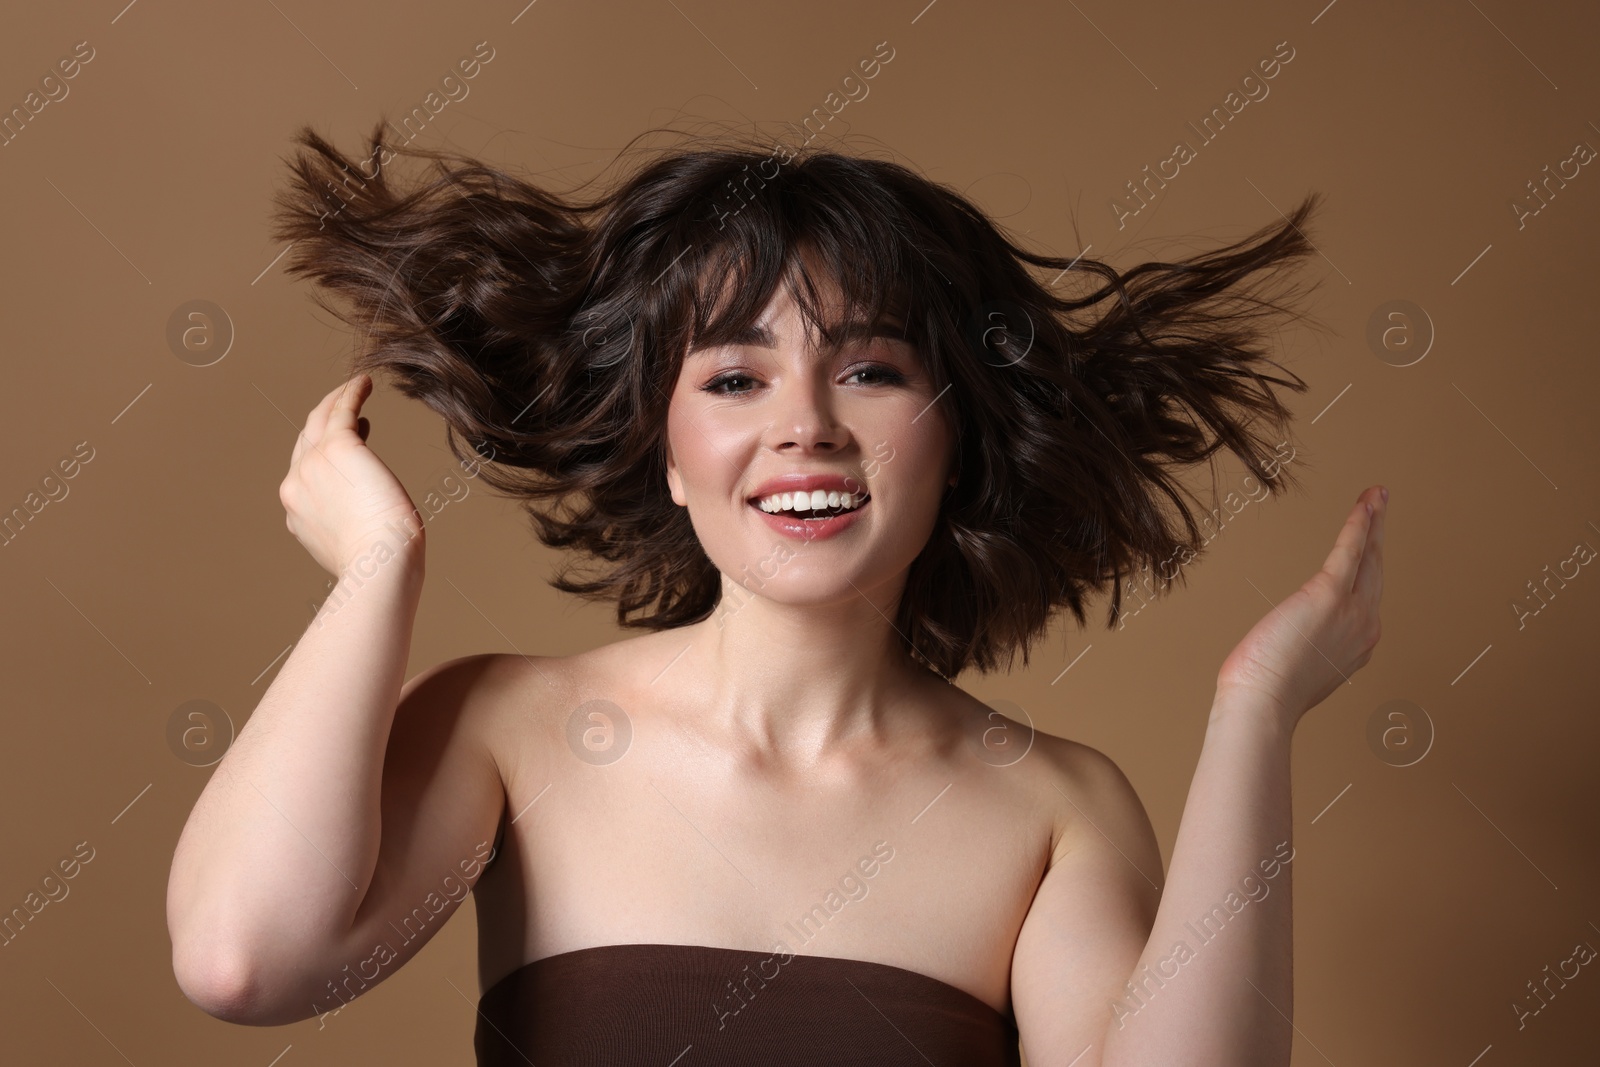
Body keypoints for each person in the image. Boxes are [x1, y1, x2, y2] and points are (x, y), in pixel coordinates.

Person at [165, 122, 1386, 1066]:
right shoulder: (509, 727)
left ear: (954, 436)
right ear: (665, 448)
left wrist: (1254, 708)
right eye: (734, 377)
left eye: (867, 368)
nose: (805, 426)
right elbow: (243, 961)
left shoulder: (1055, 805)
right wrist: (378, 570)